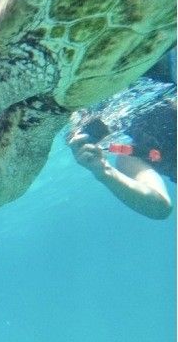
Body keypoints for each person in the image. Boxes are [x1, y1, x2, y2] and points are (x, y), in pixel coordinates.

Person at [67, 53, 176, 220]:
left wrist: (103, 171)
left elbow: (160, 209)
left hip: (107, 82)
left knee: (81, 126)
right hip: (161, 54)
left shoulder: (143, 155)